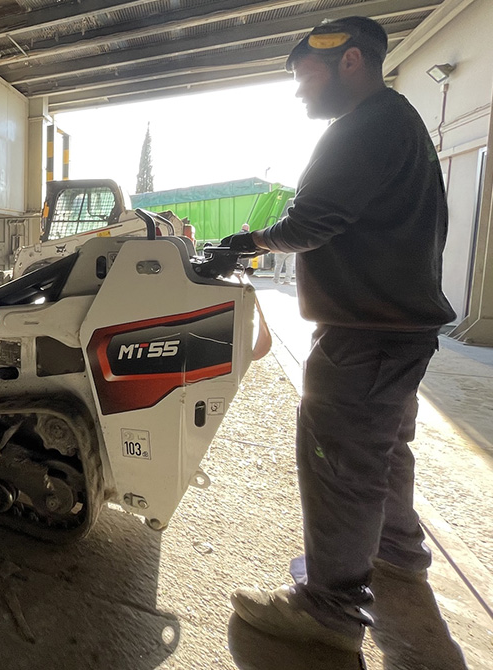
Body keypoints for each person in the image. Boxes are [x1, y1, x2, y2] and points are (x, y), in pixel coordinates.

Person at [221, 16, 456, 653]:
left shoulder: (364, 126)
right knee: (382, 448)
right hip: (398, 330)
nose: (300, 91)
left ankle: (330, 610)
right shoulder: (398, 121)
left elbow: (314, 219)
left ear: (350, 61)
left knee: (338, 462)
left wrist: (247, 244)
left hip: (366, 333)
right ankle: (398, 553)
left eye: (306, 76)